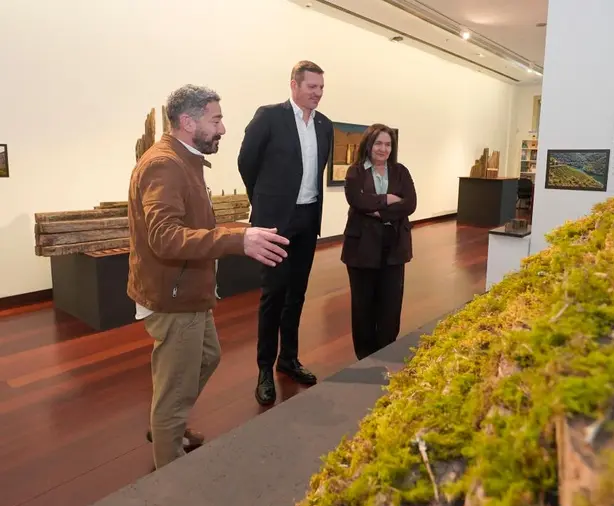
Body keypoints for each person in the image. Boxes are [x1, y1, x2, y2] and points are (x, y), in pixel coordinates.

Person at [127, 84, 290, 469]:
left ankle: (167, 423)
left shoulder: (185, 159)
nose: (223, 128)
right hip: (173, 295)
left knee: (209, 356)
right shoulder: (164, 165)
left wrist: (240, 233)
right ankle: (169, 467)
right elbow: (165, 237)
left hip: (189, 288)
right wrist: (237, 239)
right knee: (174, 389)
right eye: (215, 119)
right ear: (187, 121)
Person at [238, 61, 333, 406]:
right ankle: (264, 369)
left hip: (309, 219)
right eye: (312, 87)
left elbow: (317, 169)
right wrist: (264, 203)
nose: (317, 94)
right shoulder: (269, 117)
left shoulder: (324, 125)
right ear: (294, 85)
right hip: (276, 221)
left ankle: (288, 359)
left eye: (321, 88)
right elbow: (246, 163)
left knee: (297, 293)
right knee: (273, 294)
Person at [341, 124, 417, 360]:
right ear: (369, 144)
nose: (383, 149)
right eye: (378, 143)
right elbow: (357, 201)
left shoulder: (401, 171)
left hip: (394, 246)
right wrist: (388, 199)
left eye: (388, 144)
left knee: (390, 306)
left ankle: (387, 353)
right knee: (363, 307)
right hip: (362, 248)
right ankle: (364, 359)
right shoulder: (355, 171)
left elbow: (410, 204)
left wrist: (378, 210)